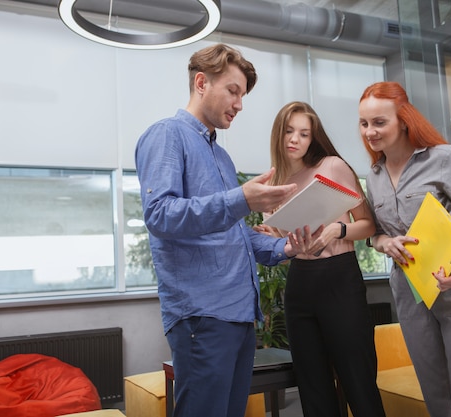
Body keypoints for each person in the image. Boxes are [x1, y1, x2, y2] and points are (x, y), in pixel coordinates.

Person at [134, 44, 310, 417]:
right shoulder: (167, 135)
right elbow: (160, 214)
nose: (240, 103)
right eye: (233, 91)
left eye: (242, 95)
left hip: (239, 315)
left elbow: (231, 234)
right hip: (203, 314)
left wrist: (284, 248)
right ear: (201, 83)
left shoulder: (222, 157)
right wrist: (241, 200)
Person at [358, 81, 451, 417]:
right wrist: (385, 242)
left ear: (404, 121)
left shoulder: (443, 159)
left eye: (379, 122)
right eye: (364, 123)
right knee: (437, 398)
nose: (370, 132)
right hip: (411, 294)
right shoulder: (375, 175)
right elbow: (375, 235)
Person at [255, 101, 386, 417]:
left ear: (313, 138)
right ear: (279, 134)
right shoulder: (273, 188)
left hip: (339, 279)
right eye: (289, 131)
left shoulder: (332, 166)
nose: (295, 139)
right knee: (313, 389)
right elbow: (285, 254)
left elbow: (368, 224)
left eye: (303, 133)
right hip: (300, 283)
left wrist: (337, 230)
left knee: (359, 382)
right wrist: (275, 241)